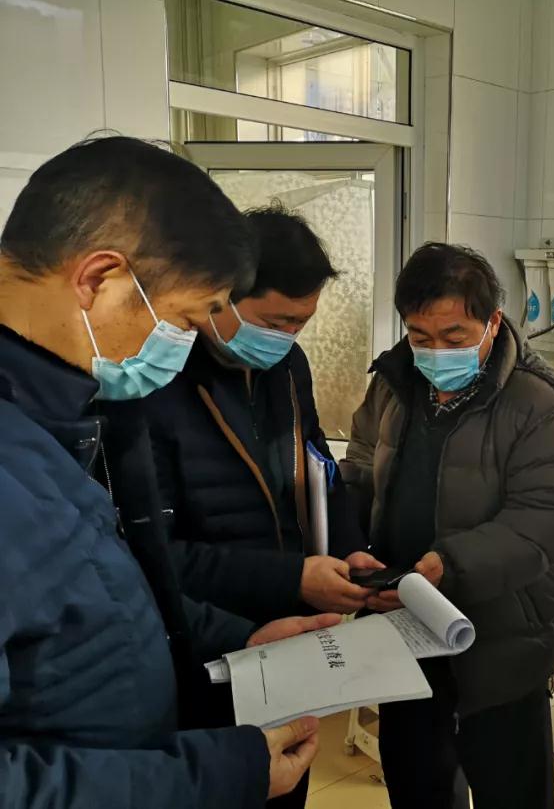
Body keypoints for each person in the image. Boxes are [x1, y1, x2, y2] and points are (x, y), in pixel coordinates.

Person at [0, 136, 335, 808]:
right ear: (98, 280)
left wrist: (240, 638)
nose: (179, 349)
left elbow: (93, 599)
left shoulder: (60, 420)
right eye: (182, 321)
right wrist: (210, 775)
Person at [339, 242, 554, 809]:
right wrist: (350, 546)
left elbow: (540, 522)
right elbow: (360, 464)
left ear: (492, 322)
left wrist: (446, 568)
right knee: (417, 784)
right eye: (420, 336)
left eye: (454, 338)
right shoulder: (393, 381)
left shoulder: (540, 403)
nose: (435, 352)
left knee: (511, 790)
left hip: (500, 637)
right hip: (402, 626)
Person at [143, 203, 373, 627]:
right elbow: (154, 551)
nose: (286, 338)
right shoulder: (154, 381)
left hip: (295, 616)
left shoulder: (288, 368)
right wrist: (290, 579)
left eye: (300, 324)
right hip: (212, 626)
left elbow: (318, 467)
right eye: (274, 323)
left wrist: (348, 549)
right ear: (218, 296)